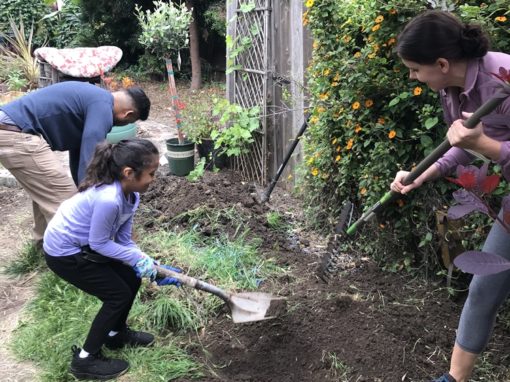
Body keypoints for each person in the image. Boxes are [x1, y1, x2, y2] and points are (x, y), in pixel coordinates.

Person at [389, 10, 510, 382]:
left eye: (414, 68)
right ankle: (454, 380)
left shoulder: (502, 81)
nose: (412, 76)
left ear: (442, 63)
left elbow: (481, 144)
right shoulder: (451, 89)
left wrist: (487, 145)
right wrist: (422, 173)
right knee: (484, 284)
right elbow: (461, 145)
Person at [43, 138, 180, 380]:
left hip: (84, 245)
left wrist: (147, 262)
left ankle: (116, 334)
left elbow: (124, 240)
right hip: (64, 252)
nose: (154, 179)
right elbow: (100, 243)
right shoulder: (108, 199)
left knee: (130, 278)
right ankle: (85, 361)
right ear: (129, 173)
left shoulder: (131, 195)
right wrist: (138, 259)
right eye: (151, 173)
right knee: (116, 295)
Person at [0, 81, 151, 246]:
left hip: (11, 129)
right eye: (129, 122)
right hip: (16, 133)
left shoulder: (93, 99)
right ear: (127, 114)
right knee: (65, 198)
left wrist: (84, 188)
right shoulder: (102, 106)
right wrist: (97, 197)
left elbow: (80, 156)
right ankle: (76, 257)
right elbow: (93, 154)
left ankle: (44, 246)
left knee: (47, 188)